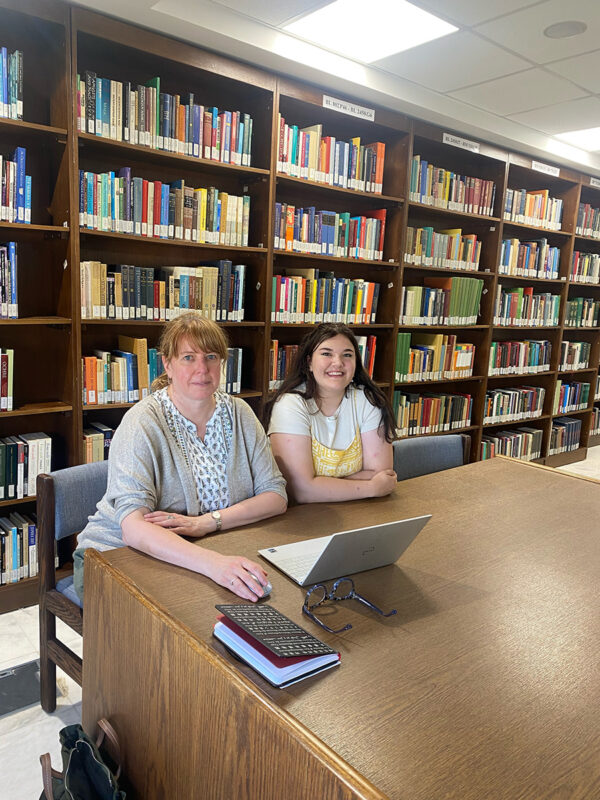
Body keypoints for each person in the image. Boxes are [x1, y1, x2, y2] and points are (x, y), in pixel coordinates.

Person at [74, 312, 287, 603]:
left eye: (211, 356)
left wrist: (208, 522)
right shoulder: (142, 421)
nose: (202, 368)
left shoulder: (239, 413)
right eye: (188, 357)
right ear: (167, 363)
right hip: (115, 557)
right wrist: (212, 564)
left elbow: (275, 495)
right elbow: (134, 528)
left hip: (203, 548)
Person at [265, 323, 397, 503]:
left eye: (347, 355)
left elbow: (383, 474)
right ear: (309, 362)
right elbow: (300, 491)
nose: (338, 362)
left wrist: (319, 486)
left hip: (363, 508)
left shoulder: (368, 400)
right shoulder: (290, 405)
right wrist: (372, 487)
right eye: (326, 353)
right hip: (302, 518)